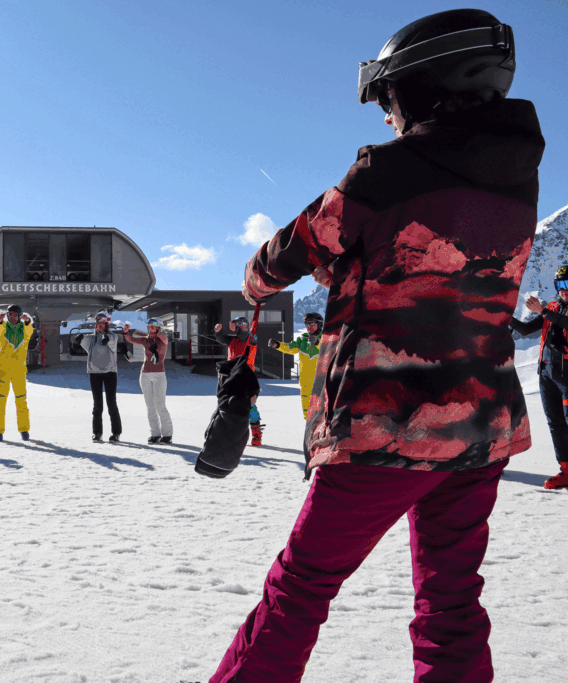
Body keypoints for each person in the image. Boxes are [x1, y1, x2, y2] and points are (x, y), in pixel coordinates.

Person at [200, 10, 542, 682]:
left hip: (389, 422)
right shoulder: (516, 179)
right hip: (482, 428)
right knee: (451, 602)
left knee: (299, 589)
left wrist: (255, 278)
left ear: (420, 88)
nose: (386, 117)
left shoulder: (389, 170)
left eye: (388, 99)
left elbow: (294, 247)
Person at [509, 265, 568, 489]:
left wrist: (543, 311)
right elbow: (525, 330)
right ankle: (566, 469)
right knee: (556, 424)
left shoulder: (551, 311)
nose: (565, 290)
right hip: (547, 375)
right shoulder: (553, 307)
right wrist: (509, 317)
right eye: (561, 285)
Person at [214, 316, 262, 446]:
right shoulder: (232, 339)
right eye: (235, 324)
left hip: (247, 377)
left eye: (239, 324)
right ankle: (232, 435)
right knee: (229, 406)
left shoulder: (251, 338)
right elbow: (221, 338)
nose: (236, 326)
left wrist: (238, 329)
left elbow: (245, 337)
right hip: (231, 377)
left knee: (250, 406)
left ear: (246, 326)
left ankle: (256, 433)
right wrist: (218, 331)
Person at [124, 318, 173, 444]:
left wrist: (156, 333)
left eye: (153, 326)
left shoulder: (162, 339)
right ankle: (155, 434)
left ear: (158, 327)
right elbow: (131, 339)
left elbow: (165, 340)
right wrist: (125, 333)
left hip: (159, 374)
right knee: (150, 407)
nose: (150, 328)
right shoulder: (146, 340)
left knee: (160, 405)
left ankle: (167, 435)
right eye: (149, 326)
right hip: (145, 374)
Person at [75, 312, 122, 442]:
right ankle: (97, 433)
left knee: (111, 403)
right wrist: (80, 339)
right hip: (94, 373)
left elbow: (113, 345)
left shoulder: (113, 336)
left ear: (106, 324)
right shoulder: (92, 338)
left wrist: (108, 341)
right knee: (97, 405)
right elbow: (86, 346)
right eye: (98, 323)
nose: (100, 325)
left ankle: (116, 433)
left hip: (110, 372)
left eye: (103, 323)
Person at [267, 312, 323, 419]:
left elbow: (331, 350)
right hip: (305, 384)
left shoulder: (327, 338)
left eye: (311, 323)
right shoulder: (302, 340)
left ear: (319, 324)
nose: (308, 326)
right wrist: (278, 345)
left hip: (321, 383)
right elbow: (290, 347)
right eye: (306, 324)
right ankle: (310, 434)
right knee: (308, 416)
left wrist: (318, 342)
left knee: (322, 414)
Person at [0, 304, 33, 442]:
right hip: (3, 371)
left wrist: (27, 321)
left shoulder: (25, 330)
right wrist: (0, 320)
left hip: (19, 372)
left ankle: (24, 429)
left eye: (14, 315)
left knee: (21, 401)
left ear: (19, 316)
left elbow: (29, 330)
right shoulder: (4, 328)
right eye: (9, 315)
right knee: (0, 401)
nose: (11, 318)